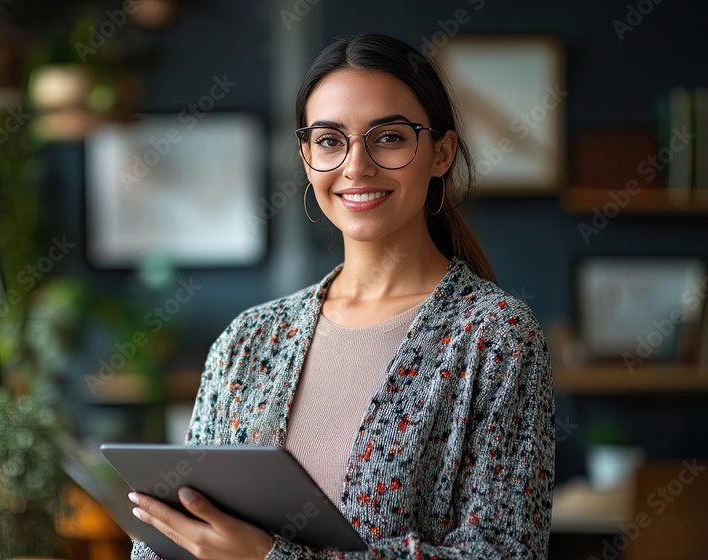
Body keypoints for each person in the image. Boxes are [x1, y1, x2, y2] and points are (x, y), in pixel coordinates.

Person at [128, 32, 555, 559]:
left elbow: (503, 553)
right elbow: (174, 537)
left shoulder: (495, 335)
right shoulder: (248, 339)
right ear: (307, 157)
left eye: (390, 138)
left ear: (441, 153)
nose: (356, 166)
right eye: (330, 140)